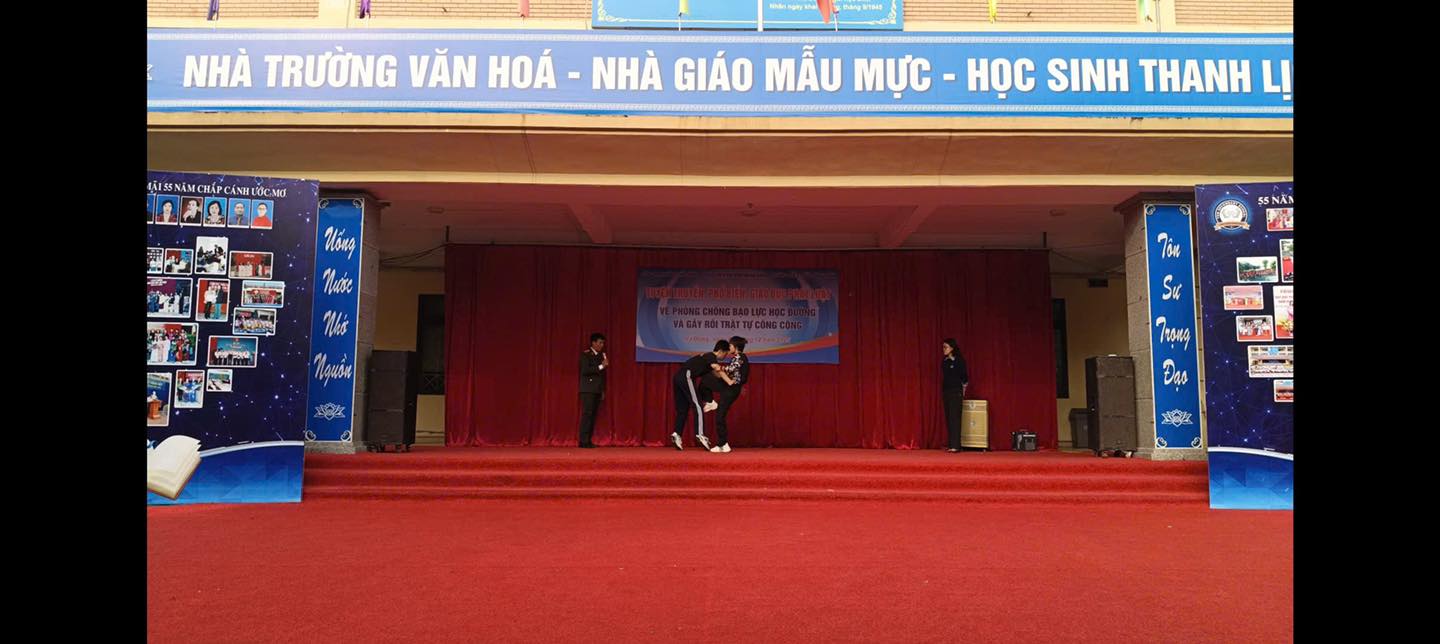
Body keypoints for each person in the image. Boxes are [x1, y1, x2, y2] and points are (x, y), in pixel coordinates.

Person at [670, 340, 733, 451]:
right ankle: (700, 434)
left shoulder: (707, 361)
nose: (725, 356)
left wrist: (728, 378)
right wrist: (729, 379)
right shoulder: (711, 356)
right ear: (721, 351)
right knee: (698, 405)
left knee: (683, 409)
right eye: (726, 353)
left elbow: (717, 375)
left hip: (678, 377)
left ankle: (677, 434)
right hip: (686, 376)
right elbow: (717, 368)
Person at [703, 336, 750, 454]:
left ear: (736, 347)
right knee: (706, 379)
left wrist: (719, 368)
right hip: (729, 386)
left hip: (731, 388)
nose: (729, 348)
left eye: (730, 346)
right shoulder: (738, 357)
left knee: (720, 415)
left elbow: (731, 369)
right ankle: (710, 401)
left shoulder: (740, 357)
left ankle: (722, 444)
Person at [577, 332, 608, 449]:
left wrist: (602, 390)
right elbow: (585, 370)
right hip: (588, 390)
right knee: (587, 415)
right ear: (593, 343)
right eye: (600, 343)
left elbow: (602, 376)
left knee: (593, 416)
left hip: (597, 390)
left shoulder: (601, 356)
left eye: (603, 343)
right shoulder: (586, 355)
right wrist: (601, 366)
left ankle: (588, 440)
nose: (601, 345)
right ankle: (583, 441)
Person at [941, 338, 969, 453]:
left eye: (946, 347)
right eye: (943, 347)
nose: (944, 349)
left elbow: (964, 377)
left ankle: (956, 445)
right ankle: (951, 443)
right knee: (949, 417)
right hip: (946, 391)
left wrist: (963, 389)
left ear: (952, 348)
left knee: (955, 418)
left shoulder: (959, 361)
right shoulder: (944, 361)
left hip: (956, 391)